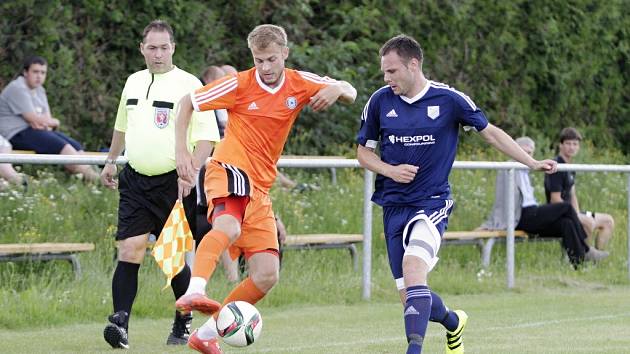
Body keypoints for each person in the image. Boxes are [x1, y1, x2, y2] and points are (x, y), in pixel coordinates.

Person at [356, 34, 557, 354]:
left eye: (392, 71)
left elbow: (490, 133)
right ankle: (452, 322)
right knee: (410, 296)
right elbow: (363, 154)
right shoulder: (379, 101)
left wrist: (530, 161)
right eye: (384, 72)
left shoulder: (449, 100)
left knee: (413, 267)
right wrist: (390, 171)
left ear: (413, 64)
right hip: (393, 205)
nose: (386, 78)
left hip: (432, 202)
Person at [173, 24, 356, 354]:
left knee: (266, 275)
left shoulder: (299, 83)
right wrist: (182, 152)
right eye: (259, 61)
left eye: (272, 59)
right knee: (226, 227)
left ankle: (206, 334)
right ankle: (194, 290)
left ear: (285, 53)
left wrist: (337, 88)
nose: (266, 68)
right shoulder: (239, 84)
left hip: (259, 188)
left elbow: (352, 92)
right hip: (228, 168)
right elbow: (187, 103)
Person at [99, 20, 219, 349]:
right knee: (130, 249)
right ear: (142, 49)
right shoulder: (133, 82)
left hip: (172, 184)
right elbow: (121, 126)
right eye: (152, 47)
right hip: (135, 181)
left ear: (173, 48)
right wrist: (111, 160)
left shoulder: (190, 84)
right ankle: (120, 322)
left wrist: (190, 173)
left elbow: (208, 137)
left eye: (164, 47)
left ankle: (184, 318)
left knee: (171, 259)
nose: (158, 54)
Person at [480, 137, 608, 266]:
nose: (527, 155)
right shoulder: (509, 168)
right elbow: (502, 201)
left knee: (566, 223)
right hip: (521, 216)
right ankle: (586, 249)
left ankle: (578, 263)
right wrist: (494, 222)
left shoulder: (526, 171)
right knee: (566, 208)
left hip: (532, 212)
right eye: (524, 152)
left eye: (530, 153)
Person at [0, 56, 100, 181]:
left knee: (76, 146)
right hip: (15, 133)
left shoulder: (40, 90)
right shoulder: (17, 88)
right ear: (25, 73)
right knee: (66, 148)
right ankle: (96, 180)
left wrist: (44, 122)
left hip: (34, 130)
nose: (39, 76)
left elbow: (46, 120)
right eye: (35, 72)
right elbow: (34, 119)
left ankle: (91, 178)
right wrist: (52, 121)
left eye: (43, 73)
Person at [544, 127, 615, 250]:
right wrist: (575, 216)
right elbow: (555, 199)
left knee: (608, 221)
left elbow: (573, 194)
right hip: (559, 214)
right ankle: (582, 258)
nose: (572, 147)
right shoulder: (556, 166)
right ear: (560, 145)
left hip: (571, 211)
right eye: (568, 143)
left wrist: (577, 213)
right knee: (588, 222)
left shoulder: (570, 166)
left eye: (575, 144)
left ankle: (596, 260)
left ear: (578, 147)